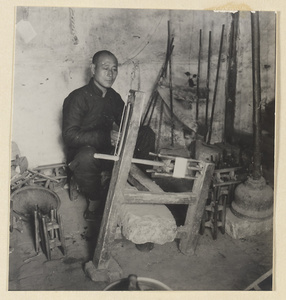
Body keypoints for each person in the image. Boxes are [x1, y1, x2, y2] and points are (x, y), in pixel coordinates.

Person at [62, 50, 155, 221]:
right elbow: (69, 135)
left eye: (114, 69)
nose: (110, 74)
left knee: (146, 133)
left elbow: (127, 125)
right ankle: (94, 201)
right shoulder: (77, 97)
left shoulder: (113, 97)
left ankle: (141, 184)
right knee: (86, 155)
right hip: (84, 154)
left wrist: (133, 128)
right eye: (105, 68)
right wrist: (106, 136)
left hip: (108, 151)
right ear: (93, 69)